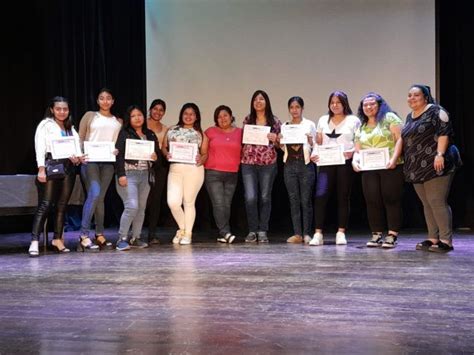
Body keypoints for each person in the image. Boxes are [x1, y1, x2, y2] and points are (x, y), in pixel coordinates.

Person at [401, 84, 458, 253]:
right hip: (417, 166)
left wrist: (439, 154)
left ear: (425, 97)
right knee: (426, 203)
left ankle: (446, 240)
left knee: (436, 201)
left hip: (436, 162)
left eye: (416, 95)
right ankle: (433, 237)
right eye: (409, 95)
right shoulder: (409, 116)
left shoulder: (436, 111)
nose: (412, 98)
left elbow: (444, 133)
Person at [29, 96, 84, 257]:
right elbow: (39, 147)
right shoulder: (45, 125)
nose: (62, 112)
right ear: (52, 109)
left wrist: (78, 158)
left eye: (65, 109)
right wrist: (41, 169)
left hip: (68, 167)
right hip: (51, 164)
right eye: (58, 109)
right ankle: (34, 241)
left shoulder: (70, 127)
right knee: (45, 204)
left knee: (62, 205)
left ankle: (58, 239)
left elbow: (77, 148)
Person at [352, 92, 404, 248]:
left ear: (379, 105)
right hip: (369, 169)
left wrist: (394, 159)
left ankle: (392, 234)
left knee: (391, 198)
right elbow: (357, 150)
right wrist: (355, 161)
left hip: (390, 166)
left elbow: (400, 139)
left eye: (372, 104)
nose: (368, 107)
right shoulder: (361, 126)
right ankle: (376, 234)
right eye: (365, 105)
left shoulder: (389, 118)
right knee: (372, 200)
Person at [310, 90, 360, 246]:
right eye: (332, 102)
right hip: (325, 164)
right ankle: (318, 233)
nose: (335, 105)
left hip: (344, 164)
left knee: (343, 196)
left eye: (338, 102)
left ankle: (341, 232)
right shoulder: (323, 120)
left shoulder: (354, 120)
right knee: (320, 196)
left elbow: (358, 141)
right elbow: (318, 141)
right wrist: (314, 153)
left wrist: (352, 153)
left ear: (344, 104)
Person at [78, 88, 121, 251]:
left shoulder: (117, 121)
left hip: (108, 163)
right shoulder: (90, 116)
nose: (105, 101)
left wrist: (116, 150)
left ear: (113, 101)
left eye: (108, 98)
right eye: (101, 98)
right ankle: (83, 235)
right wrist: (80, 154)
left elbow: (116, 143)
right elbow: (81, 137)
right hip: (90, 161)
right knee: (94, 194)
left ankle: (99, 233)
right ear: (97, 101)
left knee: (100, 198)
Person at [115, 105, 159, 251]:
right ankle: (122, 238)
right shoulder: (125, 133)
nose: (137, 118)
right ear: (129, 118)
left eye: (139, 115)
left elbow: (156, 156)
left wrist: (154, 157)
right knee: (132, 206)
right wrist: (121, 174)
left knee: (141, 208)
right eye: (133, 116)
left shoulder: (150, 134)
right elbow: (119, 155)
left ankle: (136, 237)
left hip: (145, 175)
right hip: (129, 174)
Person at [241, 90, 281, 243]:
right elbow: (244, 141)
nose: (258, 102)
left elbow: (280, 145)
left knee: (265, 198)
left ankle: (262, 230)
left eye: (261, 99)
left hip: (268, 164)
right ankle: (252, 230)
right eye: (255, 99)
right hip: (248, 163)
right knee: (250, 198)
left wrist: (275, 139)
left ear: (266, 102)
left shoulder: (275, 121)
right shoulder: (248, 119)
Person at [162, 103, 205, 245]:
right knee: (173, 202)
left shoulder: (201, 133)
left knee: (188, 202)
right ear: (181, 114)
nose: (188, 116)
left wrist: (201, 158)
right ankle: (183, 229)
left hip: (194, 170)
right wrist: (166, 154)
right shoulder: (172, 130)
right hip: (175, 170)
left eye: (192, 114)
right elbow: (164, 147)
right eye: (186, 113)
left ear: (196, 116)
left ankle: (188, 234)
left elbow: (205, 154)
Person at [200, 105, 243, 243]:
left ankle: (222, 234)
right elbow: (202, 150)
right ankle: (226, 232)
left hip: (232, 174)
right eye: (219, 116)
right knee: (218, 204)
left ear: (231, 117)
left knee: (226, 204)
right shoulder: (210, 132)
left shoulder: (240, 132)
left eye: (225, 115)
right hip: (213, 173)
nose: (222, 118)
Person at [279, 96, 316, 244]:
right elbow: (283, 148)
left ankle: (307, 233)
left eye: (297, 107)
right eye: (292, 107)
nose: (294, 110)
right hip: (289, 165)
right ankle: (297, 234)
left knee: (305, 200)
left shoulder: (309, 125)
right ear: (289, 110)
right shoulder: (285, 126)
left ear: (302, 108)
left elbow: (314, 147)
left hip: (305, 164)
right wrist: (279, 141)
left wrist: (310, 141)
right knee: (293, 200)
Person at [145, 99, 169, 244]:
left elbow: (165, 148)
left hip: (160, 166)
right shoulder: (142, 123)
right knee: (143, 200)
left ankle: (152, 233)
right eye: (155, 109)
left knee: (156, 200)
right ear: (150, 109)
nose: (157, 112)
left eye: (161, 110)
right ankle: (133, 233)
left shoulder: (166, 129)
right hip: (142, 164)